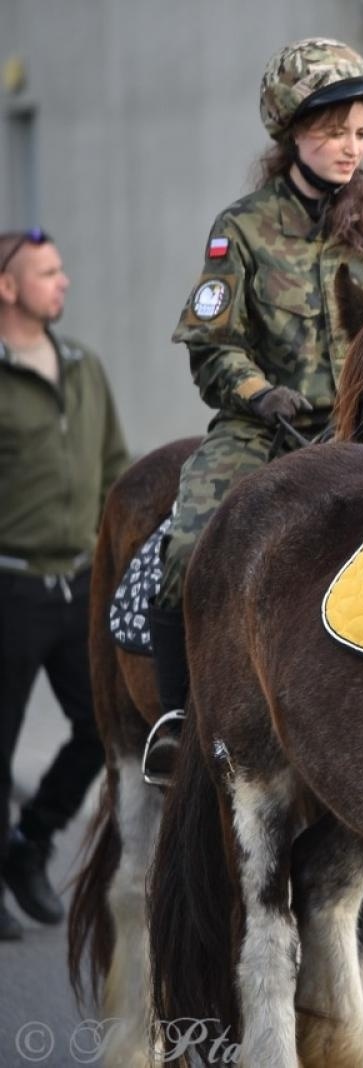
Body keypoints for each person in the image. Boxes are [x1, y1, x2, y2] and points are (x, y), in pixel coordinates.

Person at [142, 38, 363, 783]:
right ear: (292, 132)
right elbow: (211, 344)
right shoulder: (241, 230)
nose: (350, 147)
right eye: (333, 132)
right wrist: (257, 392)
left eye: (361, 132)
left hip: (358, 431)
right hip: (261, 429)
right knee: (190, 538)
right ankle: (178, 717)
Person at [0, 229, 129, 940]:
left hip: (79, 585)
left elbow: (113, 468)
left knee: (104, 728)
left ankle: (32, 841)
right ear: (8, 287)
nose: (63, 281)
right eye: (47, 272)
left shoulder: (83, 366)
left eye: (61, 270)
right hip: (10, 587)